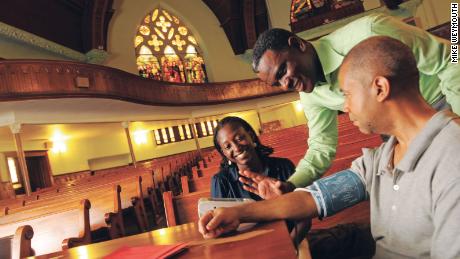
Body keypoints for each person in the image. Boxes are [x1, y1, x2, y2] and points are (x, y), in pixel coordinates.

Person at [198, 36, 460, 259]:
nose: (344, 108)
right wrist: (239, 212)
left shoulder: (452, 159)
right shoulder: (380, 158)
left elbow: (451, 53)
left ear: (379, 87)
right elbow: (315, 197)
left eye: (347, 94)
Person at [244, 13, 459, 197]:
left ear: (298, 44)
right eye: (277, 83)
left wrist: (455, 120)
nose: (285, 85)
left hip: (440, 105)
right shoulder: (310, 94)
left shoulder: (370, 31)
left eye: (282, 71)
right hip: (394, 134)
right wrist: (291, 185)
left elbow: (450, 57)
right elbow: (322, 146)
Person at [211, 116, 295, 200]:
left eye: (239, 138)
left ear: (251, 136)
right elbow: (220, 212)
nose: (236, 148)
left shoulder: (285, 166)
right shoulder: (221, 181)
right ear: (224, 153)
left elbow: (303, 203)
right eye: (227, 147)